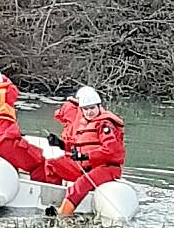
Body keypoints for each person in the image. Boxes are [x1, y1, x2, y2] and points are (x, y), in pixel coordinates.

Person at [44, 86, 125, 216]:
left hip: (107, 168)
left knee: (82, 182)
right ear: (81, 110)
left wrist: (85, 156)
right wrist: (60, 144)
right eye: (86, 109)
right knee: (52, 165)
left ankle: (63, 213)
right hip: (86, 166)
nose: (89, 112)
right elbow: (79, 147)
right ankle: (55, 202)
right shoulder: (85, 124)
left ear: (99, 107)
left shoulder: (104, 125)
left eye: (92, 108)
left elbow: (111, 151)